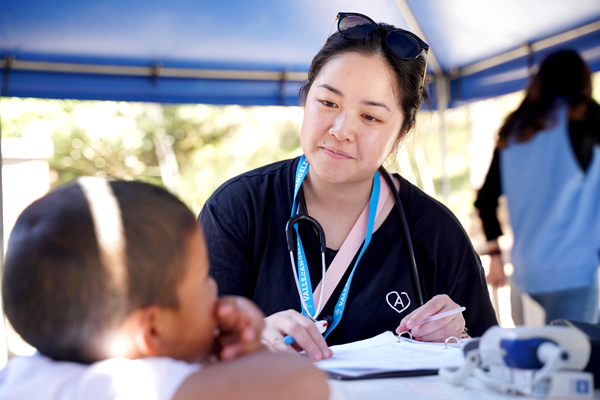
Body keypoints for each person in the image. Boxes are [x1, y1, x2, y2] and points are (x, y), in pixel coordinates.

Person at [200, 12, 497, 362]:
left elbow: (492, 362)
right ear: (306, 100)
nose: (341, 129)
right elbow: (185, 349)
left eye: (370, 117)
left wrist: (458, 338)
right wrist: (247, 336)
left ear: (402, 132)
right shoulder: (239, 208)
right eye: (328, 103)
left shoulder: (435, 231)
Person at [0, 178, 329, 400]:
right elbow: (305, 384)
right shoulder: (146, 385)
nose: (215, 288)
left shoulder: (20, 376)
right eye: (203, 279)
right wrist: (251, 345)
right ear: (153, 330)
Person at [475, 49, 600, 324]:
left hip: (526, 273)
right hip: (573, 270)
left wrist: (495, 254)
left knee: (538, 360)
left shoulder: (515, 129)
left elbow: (485, 200)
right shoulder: (587, 118)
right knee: (576, 361)